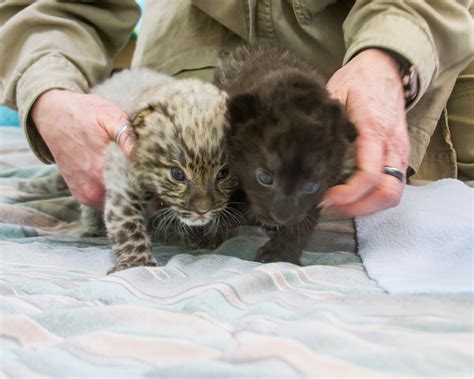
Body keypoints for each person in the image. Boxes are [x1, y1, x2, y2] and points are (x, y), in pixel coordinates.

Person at [0, 1, 473, 215]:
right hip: (194, 81)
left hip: (388, 86)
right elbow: (54, 7)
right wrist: (48, 92)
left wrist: (392, 55)